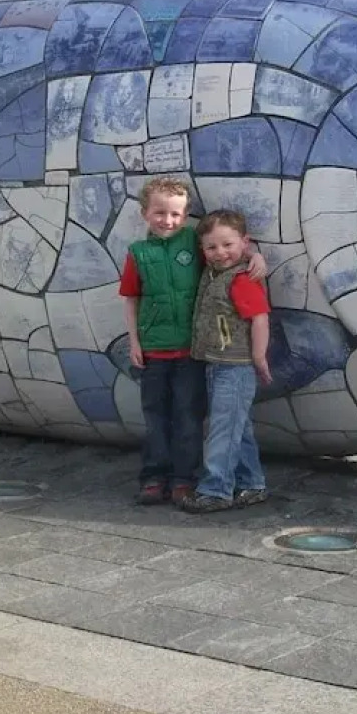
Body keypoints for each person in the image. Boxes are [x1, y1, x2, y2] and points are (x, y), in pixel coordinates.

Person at [119, 178, 265, 506]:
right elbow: (131, 299)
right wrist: (134, 342)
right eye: (160, 213)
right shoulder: (138, 254)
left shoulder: (194, 244)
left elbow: (225, 251)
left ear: (185, 217)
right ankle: (154, 476)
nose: (167, 221)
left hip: (192, 352)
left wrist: (255, 255)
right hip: (154, 350)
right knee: (155, 416)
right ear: (145, 213)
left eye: (175, 214)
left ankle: (185, 478)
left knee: (188, 416)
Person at [178, 210, 273, 514]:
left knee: (222, 428)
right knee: (237, 427)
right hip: (215, 363)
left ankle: (216, 489)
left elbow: (260, 319)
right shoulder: (213, 272)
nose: (220, 253)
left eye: (228, 245)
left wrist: (259, 357)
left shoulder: (243, 279)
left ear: (244, 242)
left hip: (235, 366)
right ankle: (252, 483)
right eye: (211, 247)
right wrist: (253, 254)